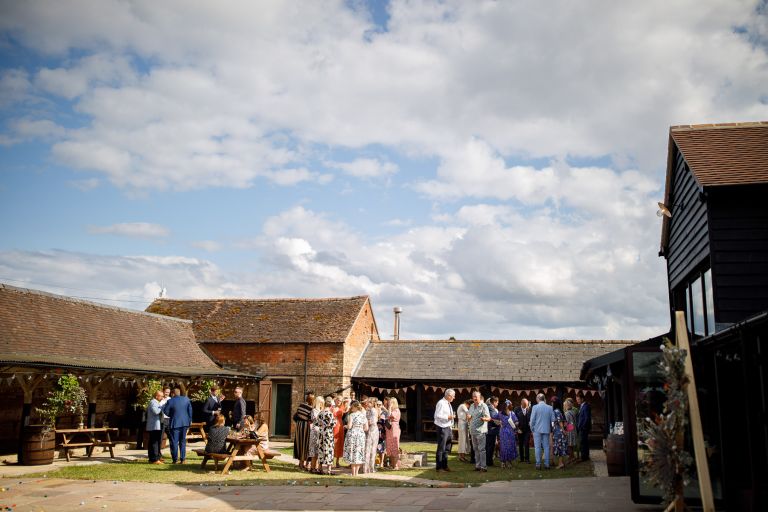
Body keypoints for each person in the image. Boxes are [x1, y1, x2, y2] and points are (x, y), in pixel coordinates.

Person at [162, 387, 193, 464]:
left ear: (172, 394)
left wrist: (172, 415)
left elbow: (166, 412)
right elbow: (190, 412)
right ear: (179, 393)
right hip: (185, 423)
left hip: (174, 423)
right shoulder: (186, 399)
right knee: (183, 441)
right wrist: (189, 421)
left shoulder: (170, 401)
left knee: (174, 442)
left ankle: (175, 459)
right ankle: (183, 459)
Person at [529, 393, 555, 470]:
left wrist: (532, 429)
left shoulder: (535, 407)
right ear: (544, 399)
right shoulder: (550, 407)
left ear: (538, 399)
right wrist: (551, 428)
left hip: (536, 430)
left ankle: (538, 464)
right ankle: (547, 464)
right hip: (546, 429)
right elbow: (553, 420)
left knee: (537, 447)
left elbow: (532, 420)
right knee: (546, 447)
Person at [468, 391, 490, 472]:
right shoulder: (471, 405)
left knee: (481, 449)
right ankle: (477, 466)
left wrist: (484, 419)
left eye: (475, 396)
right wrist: (468, 416)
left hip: (481, 431)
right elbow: (469, 415)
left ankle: (483, 467)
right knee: (475, 449)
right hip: (473, 431)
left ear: (479, 397)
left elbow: (489, 418)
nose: (474, 398)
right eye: (473, 396)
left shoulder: (483, 405)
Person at [434, 388, 455, 472]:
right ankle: (439, 468)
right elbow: (437, 415)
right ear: (449, 396)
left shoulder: (448, 403)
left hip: (448, 427)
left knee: (447, 448)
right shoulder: (441, 403)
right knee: (441, 448)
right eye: (453, 396)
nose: (454, 397)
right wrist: (448, 417)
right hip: (442, 427)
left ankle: (445, 466)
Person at [343, 400, 367, 476]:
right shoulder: (363, 416)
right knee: (359, 452)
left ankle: (353, 473)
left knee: (353, 453)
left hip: (353, 434)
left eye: (352, 407)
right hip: (360, 434)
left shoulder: (352, 415)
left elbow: (349, 426)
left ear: (356, 407)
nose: (351, 408)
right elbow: (366, 428)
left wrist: (345, 426)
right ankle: (356, 473)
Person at [293, 391, 314, 471]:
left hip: (299, 425)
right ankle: (303, 464)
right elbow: (311, 419)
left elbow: (296, 416)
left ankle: (300, 463)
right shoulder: (311, 408)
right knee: (306, 444)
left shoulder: (301, 405)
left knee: (299, 443)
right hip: (306, 426)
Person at [317, 397, 337, 475]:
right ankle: (329, 470)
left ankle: (320, 468)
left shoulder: (320, 413)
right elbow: (333, 424)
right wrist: (334, 421)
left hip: (321, 432)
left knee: (321, 449)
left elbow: (317, 423)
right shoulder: (329, 413)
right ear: (330, 405)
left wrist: (322, 424)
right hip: (328, 433)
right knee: (329, 450)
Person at [146, 390, 165, 464]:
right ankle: (154, 459)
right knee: (154, 442)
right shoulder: (153, 402)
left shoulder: (156, 402)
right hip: (154, 426)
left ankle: (152, 458)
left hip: (155, 425)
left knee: (153, 442)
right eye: (161, 396)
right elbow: (156, 411)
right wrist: (162, 407)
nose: (162, 397)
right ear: (157, 396)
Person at [498, 400, 519, 468]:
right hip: (509, 432)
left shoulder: (501, 413)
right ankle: (508, 462)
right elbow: (516, 422)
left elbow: (493, 417)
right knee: (508, 446)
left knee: (504, 447)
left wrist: (499, 422)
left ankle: (503, 462)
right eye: (510, 405)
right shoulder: (511, 413)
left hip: (504, 432)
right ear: (508, 406)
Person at [308, 396, 324, 473]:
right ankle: (312, 467)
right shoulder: (314, 410)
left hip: (320, 431)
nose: (322, 404)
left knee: (318, 451)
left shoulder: (322, 410)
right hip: (315, 431)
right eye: (321, 403)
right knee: (314, 450)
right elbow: (315, 420)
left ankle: (317, 467)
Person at [551, 397, 568, 469]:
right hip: (559, 431)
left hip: (558, 432)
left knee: (559, 447)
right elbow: (564, 422)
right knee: (561, 446)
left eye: (552, 402)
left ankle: (560, 463)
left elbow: (560, 422)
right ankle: (561, 463)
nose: (551, 404)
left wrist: (563, 431)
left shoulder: (556, 411)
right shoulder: (560, 411)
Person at [385, 397, 402, 470]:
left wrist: (389, 408)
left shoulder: (396, 410)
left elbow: (389, 415)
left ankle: (395, 466)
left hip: (394, 429)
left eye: (391, 402)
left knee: (394, 446)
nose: (389, 404)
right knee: (390, 446)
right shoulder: (393, 410)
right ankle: (392, 465)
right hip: (390, 429)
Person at [514, 398, 532, 463]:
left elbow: (531, 417)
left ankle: (527, 459)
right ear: (521, 404)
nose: (526, 406)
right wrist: (517, 429)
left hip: (527, 429)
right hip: (520, 429)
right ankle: (521, 459)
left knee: (526, 443)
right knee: (520, 444)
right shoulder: (516, 409)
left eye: (527, 405)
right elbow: (514, 419)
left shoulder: (529, 409)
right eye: (525, 405)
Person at [363, 398, 379, 473]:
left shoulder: (373, 410)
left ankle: (371, 467)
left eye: (369, 402)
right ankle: (366, 468)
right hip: (369, 430)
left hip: (373, 430)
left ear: (372, 403)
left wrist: (365, 424)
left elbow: (372, 421)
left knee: (372, 449)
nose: (367, 403)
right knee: (367, 449)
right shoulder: (368, 410)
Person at [485, 396, 501, 467]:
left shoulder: (490, 408)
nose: (497, 404)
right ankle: (489, 462)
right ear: (494, 402)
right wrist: (500, 422)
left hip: (490, 430)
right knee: (490, 447)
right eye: (497, 402)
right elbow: (493, 419)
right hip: (491, 430)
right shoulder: (491, 408)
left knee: (489, 446)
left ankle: (488, 461)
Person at [576, 394, 592, 461]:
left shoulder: (586, 406)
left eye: (578, 399)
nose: (577, 401)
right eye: (577, 400)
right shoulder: (582, 406)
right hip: (582, 427)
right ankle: (585, 456)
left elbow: (587, 418)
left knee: (583, 442)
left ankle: (584, 457)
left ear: (582, 399)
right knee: (584, 442)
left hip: (584, 428)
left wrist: (583, 427)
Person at [332, 395, 345, 468]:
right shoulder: (332, 407)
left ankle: (337, 461)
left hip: (340, 425)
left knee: (339, 442)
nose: (339, 402)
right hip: (333, 425)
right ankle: (331, 460)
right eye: (338, 400)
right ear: (335, 400)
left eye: (340, 400)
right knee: (333, 442)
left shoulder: (342, 408)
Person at [564, 398, 577, 465]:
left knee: (569, 444)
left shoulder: (566, 413)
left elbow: (566, 423)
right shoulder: (573, 412)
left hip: (569, 430)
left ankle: (571, 457)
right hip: (573, 429)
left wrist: (564, 428)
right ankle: (573, 456)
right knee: (571, 445)